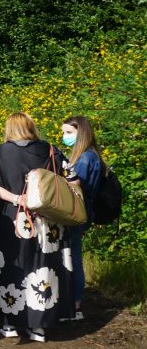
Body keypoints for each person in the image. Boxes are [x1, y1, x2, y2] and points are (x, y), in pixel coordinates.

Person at [0, 112, 78, 342]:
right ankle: (39, 326)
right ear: (32, 127)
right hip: (46, 220)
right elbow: (73, 179)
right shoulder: (51, 150)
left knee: (9, 267)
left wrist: (16, 199)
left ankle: (8, 323)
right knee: (42, 266)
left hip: (11, 219)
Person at [61, 116, 105, 321]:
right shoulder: (92, 156)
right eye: (64, 132)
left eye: (69, 133)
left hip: (76, 214)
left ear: (82, 133)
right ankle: (74, 304)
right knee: (73, 257)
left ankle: (74, 306)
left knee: (71, 259)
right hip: (82, 214)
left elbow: (75, 187)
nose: (65, 137)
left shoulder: (86, 158)